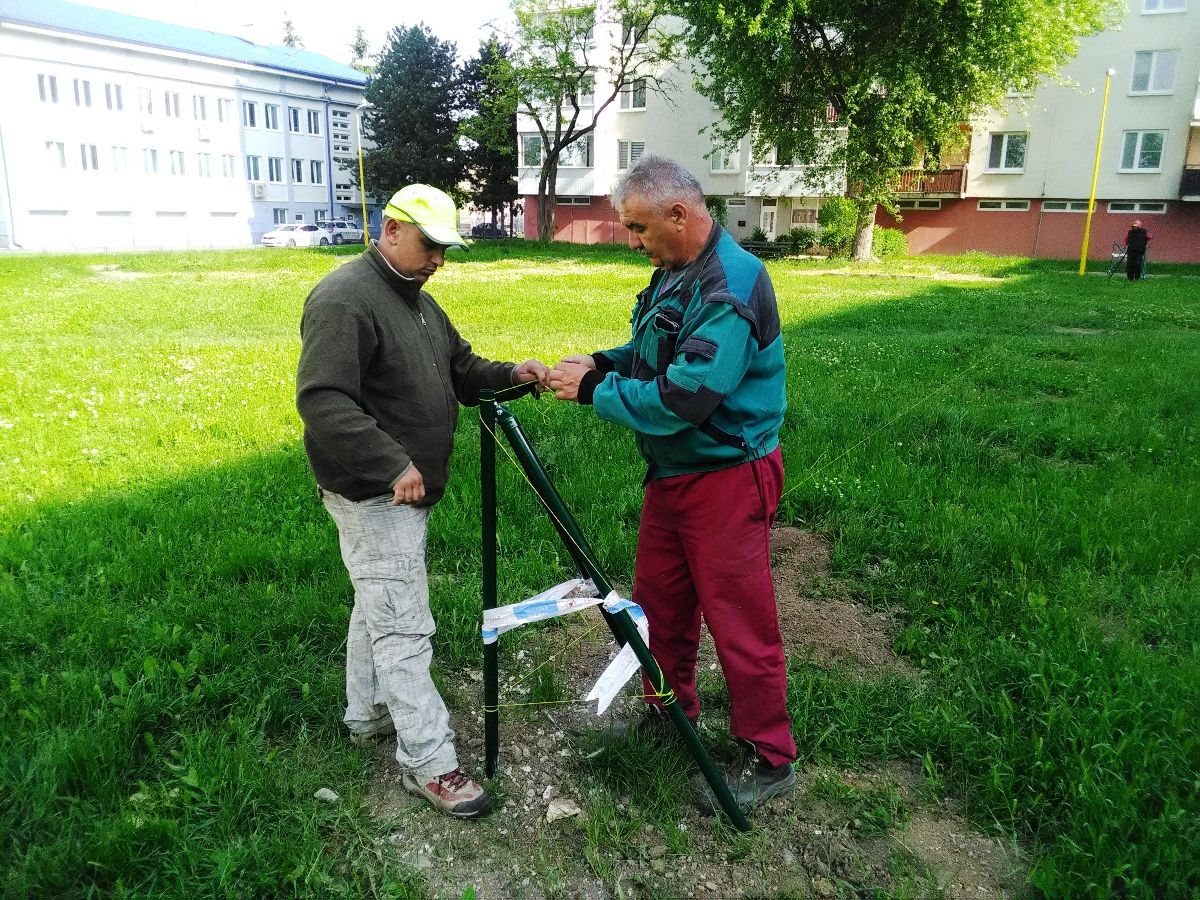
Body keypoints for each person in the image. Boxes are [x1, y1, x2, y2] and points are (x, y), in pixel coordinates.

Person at [546, 156, 797, 813]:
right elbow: (656, 352)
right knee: (658, 609)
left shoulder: (732, 287)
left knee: (740, 623)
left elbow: (684, 398)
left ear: (679, 215)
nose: (632, 240)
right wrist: (601, 361)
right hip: (673, 475)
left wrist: (593, 390)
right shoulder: (674, 271)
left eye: (637, 227)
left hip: (727, 476)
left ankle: (770, 757)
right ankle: (668, 714)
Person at [296, 184, 548, 819]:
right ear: (391, 230)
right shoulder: (343, 299)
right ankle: (429, 762)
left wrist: (511, 375)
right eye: (430, 245)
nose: (438, 259)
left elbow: (461, 370)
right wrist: (391, 463)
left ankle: (368, 714)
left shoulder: (418, 301)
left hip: (403, 492)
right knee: (403, 625)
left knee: (377, 602)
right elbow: (322, 399)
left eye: (445, 249)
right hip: (373, 494)